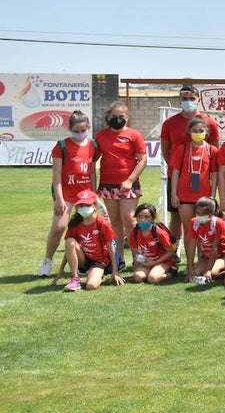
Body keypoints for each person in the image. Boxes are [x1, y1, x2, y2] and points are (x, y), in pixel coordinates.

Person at [40, 111, 98, 278]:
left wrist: (93, 195)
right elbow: (57, 174)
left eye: (83, 130)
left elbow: (92, 172)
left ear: (89, 127)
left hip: (85, 194)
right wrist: (59, 199)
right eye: (76, 131)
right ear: (69, 129)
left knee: (86, 229)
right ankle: (47, 261)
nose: (80, 133)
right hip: (66, 194)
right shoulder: (61, 146)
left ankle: (85, 264)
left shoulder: (93, 146)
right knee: (58, 227)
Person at [160, 85, 220, 241]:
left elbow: (214, 150)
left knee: (202, 217)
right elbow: (165, 148)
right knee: (176, 216)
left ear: (198, 99)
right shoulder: (169, 123)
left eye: (192, 98)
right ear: (180, 100)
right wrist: (176, 167)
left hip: (202, 179)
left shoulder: (209, 123)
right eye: (185, 98)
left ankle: (204, 251)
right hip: (177, 177)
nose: (188, 101)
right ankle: (175, 250)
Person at [95, 101, 147, 273]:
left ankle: (137, 258)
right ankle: (119, 259)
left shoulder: (134, 135)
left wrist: (130, 180)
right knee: (115, 222)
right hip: (107, 184)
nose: (117, 119)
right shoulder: (101, 136)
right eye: (114, 116)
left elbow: (142, 160)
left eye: (121, 116)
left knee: (129, 220)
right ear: (108, 117)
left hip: (128, 185)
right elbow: (92, 159)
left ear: (127, 117)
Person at [57, 190, 124, 291]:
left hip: (100, 261)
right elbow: (69, 248)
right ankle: (75, 279)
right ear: (76, 207)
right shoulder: (75, 223)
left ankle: (98, 273)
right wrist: (61, 268)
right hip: (84, 259)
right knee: (70, 241)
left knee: (91, 286)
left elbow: (111, 247)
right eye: (81, 205)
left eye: (87, 205)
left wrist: (115, 271)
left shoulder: (102, 223)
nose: (83, 207)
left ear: (95, 205)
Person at [169, 117, 218, 238]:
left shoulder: (212, 150)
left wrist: (212, 195)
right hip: (184, 195)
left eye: (201, 131)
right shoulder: (182, 149)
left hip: (204, 196)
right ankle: (189, 252)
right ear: (189, 132)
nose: (198, 133)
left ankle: (202, 251)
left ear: (206, 132)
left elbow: (214, 174)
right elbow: (175, 173)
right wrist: (174, 194)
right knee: (189, 229)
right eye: (195, 131)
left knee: (203, 228)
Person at [184, 196, 225, 284]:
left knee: (212, 273)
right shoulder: (194, 222)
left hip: (221, 256)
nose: (200, 216)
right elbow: (192, 245)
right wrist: (190, 268)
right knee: (196, 273)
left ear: (212, 213)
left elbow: (215, 248)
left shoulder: (219, 223)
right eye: (197, 213)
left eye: (203, 214)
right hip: (205, 256)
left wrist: (208, 270)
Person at [128, 203, 175, 284]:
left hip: (162, 261)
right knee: (137, 277)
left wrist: (154, 263)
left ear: (153, 218)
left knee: (152, 278)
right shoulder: (134, 232)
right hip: (147, 261)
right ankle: (151, 271)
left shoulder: (159, 233)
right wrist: (137, 266)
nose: (143, 220)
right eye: (139, 216)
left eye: (147, 217)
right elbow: (135, 252)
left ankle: (171, 273)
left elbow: (170, 252)